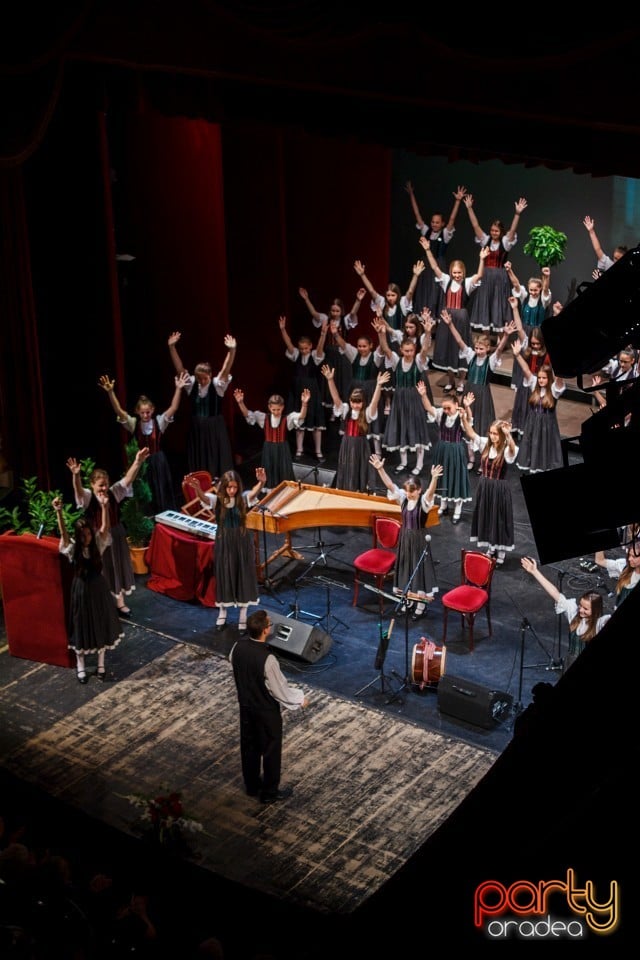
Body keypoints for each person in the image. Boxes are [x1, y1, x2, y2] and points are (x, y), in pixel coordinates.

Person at [228, 607, 308, 804]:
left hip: (246, 706)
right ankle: (270, 792)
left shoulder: (237, 647)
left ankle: (252, 785)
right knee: (271, 750)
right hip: (265, 710)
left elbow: (235, 665)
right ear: (265, 630)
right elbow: (278, 689)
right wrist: (299, 699)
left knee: (249, 746)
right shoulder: (267, 658)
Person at [66, 447, 150, 615]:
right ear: (92, 485)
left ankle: (120, 602)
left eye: (106, 484)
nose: (104, 488)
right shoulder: (88, 497)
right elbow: (79, 491)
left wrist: (138, 461)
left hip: (116, 534)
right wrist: (76, 476)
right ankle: (101, 604)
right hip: (98, 539)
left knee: (116, 567)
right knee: (101, 569)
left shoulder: (113, 493)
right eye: (100, 485)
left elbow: (127, 479)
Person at [53, 495, 123, 683]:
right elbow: (64, 535)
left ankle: (101, 664)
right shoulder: (73, 549)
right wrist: (59, 512)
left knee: (100, 623)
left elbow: (105, 528)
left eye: (88, 534)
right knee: (80, 624)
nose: (87, 538)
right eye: (83, 535)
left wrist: (104, 508)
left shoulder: (97, 545)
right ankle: (81, 665)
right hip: (81, 591)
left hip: (98, 590)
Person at [98, 371, 190, 513]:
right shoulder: (134, 424)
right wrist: (111, 392)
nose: (145, 415)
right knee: (146, 495)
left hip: (158, 462)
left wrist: (178, 388)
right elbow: (119, 411)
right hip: (142, 464)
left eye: (148, 412)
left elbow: (174, 408)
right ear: (137, 412)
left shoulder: (159, 422)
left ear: (152, 410)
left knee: (161, 493)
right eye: (142, 412)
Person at [191, 467, 266, 633]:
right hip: (224, 542)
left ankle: (243, 615)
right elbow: (204, 498)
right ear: (223, 487)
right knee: (225, 574)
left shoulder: (243, 498)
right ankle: (222, 612)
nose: (232, 490)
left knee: (243, 574)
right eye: (229, 487)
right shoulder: (216, 500)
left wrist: (261, 483)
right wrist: (197, 489)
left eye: (235, 487)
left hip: (242, 541)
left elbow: (253, 493)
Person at [369, 456, 443, 620]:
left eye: (412, 491)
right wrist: (380, 469)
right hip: (405, 539)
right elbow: (390, 485)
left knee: (418, 569)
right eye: (407, 491)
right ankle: (408, 600)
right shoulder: (403, 499)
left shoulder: (423, 502)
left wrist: (434, 478)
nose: (408, 494)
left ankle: (421, 605)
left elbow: (430, 493)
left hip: (418, 540)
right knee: (405, 568)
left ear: (419, 490)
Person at [419, 239, 488, 395]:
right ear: (451, 272)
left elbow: (479, 275)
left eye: (459, 273)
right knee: (448, 347)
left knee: (461, 347)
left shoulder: (467, 283)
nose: (457, 275)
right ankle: (451, 380)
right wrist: (428, 250)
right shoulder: (446, 281)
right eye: (454, 273)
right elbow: (435, 267)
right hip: (447, 317)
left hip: (461, 318)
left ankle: (461, 381)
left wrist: (482, 259)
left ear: (463, 272)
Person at [521, 556, 610, 672]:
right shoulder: (574, 613)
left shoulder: (600, 623)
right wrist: (535, 572)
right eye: (580, 606)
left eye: (586, 609)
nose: (581, 610)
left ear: (596, 610)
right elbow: (555, 594)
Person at [167, 330, 237, 478]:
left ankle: (219, 481)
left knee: (216, 456)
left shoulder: (217, 385)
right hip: (197, 428)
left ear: (210, 375)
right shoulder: (192, 384)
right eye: (200, 378)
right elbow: (180, 369)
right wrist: (172, 348)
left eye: (205, 378)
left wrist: (231, 351)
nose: (203, 381)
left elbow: (225, 369)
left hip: (215, 427)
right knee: (200, 457)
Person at [374, 313, 434, 477]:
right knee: (401, 427)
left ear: (414, 350)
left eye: (411, 351)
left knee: (417, 428)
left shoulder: (418, 361)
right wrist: (381, 334)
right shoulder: (396, 360)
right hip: (400, 399)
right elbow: (386, 349)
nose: (408, 353)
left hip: (414, 399)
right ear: (401, 350)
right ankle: (403, 462)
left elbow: (425, 349)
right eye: (406, 351)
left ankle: (419, 463)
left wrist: (428, 332)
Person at [459, 406, 518, 565]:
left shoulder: (506, 448)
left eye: (495, 434)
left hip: (499, 488)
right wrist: (464, 416)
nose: (492, 436)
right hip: (485, 486)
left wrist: (508, 435)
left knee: (499, 518)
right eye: (491, 433)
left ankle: (501, 550)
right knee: (487, 516)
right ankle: (491, 547)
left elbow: (513, 451)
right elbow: (471, 433)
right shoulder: (486, 444)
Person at [463, 194, 528, 335]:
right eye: (492, 230)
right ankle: (485, 337)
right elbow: (475, 225)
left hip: (500, 278)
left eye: (496, 231)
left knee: (499, 305)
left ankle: (500, 338)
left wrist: (517, 214)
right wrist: (469, 208)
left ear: (501, 231)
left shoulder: (505, 242)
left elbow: (513, 230)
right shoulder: (485, 240)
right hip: (486, 276)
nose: (494, 233)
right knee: (485, 303)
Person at [298, 284, 365, 420]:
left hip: (342, 356)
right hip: (328, 355)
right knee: (329, 382)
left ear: (341, 311)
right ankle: (331, 411)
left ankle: (340, 410)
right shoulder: (325, 319)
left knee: (342, 382)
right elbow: (314, 314)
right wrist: (306, 299)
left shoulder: (345, 321)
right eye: (333, 310)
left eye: (337, 311)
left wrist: (358, 300)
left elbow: (353, 314)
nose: (334, 313)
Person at [321, 365, 390, 492]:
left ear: (363, 402)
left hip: (361, 446)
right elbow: (336, 398)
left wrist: (379, 385)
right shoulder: (346, 410)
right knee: (347, 466)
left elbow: (374, 402)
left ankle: (359, 490)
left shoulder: (367, 413)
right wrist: (330, 380)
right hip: (347, 444)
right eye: (353, 401)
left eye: (358, 402)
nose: (355, 405)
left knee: (359, 468)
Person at [406, 182, 468, 315]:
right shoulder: (426, 231)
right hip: (425, 266)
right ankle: (423, 318)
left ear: (442, 223)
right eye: (433, 222)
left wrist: (457, 201)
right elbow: (417, 214)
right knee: (424, 291)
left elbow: (452, 219)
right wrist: (411, 194)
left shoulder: (445, 234)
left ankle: (435, 319)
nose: (434, 224)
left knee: (436, 292)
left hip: (438, 266)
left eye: (437, 222)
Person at [416, 381, 472, 524]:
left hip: (456, 450)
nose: (446, 410)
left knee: (456, 477)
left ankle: (458, 509)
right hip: (442, 450)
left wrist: (467, 407)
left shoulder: (460, 416)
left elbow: (468, 422)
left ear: (456, 405)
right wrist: (423, 395)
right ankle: (444, 505)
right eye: (444, 408)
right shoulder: (441, 414)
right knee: (442, 476)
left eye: (448, 408)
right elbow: (429, 408)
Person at [233, 387, 310, 491]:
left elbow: (301, 416)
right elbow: (248, 414)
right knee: (269, 470)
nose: (276, 412)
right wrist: (240, 403)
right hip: (269, 449)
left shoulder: (287, 419)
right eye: (274, 409)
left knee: (283, 470)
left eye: (278, 409)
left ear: (282, 407)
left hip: (282, 449)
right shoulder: (263, 417)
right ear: (269, 407)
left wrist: (304, 404)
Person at [327, 320, 385, 453]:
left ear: (370, 346)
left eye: (364, 346)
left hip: (371, 390)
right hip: (356, 389)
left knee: (372, 418)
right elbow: (344, 345)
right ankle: (353, 444)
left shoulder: (375, 357)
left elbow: (382, 348)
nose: (361, 348)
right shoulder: (354, 355)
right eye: (359, 346)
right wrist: (335, 334)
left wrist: (380, 334)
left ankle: (377, 451)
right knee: (354, 416)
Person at [511, 339, 566, 473]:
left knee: (544, 446)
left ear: (549, 378)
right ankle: (533, 466)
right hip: (532, 422)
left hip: (547, 425)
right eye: (540, 377)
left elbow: (559, 379)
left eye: (544, 378)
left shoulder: (554, 390)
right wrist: (517, 355)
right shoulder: (534, 384)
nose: (541, 380)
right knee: (532, 443)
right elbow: (526, 369)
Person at [278, 315, 327, 460]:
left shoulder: (315, 356)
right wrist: (283, 330)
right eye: (301, 349)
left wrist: (323, 334)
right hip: (297, 391)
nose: (303, 351)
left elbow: (320, 348)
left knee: (316, 423)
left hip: (312, 391)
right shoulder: (296, 355)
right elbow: (289, 345)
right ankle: (299, 449)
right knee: (299, 422)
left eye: (306, 348)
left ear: (310, 346)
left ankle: (318, 451)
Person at [354, 257, 425, 331]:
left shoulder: (402, 303)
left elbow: (410, 291)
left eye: (393, 295)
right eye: (388, 295)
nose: (390, 298)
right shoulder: (382, 302)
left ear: (398, 295)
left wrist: (415, 275)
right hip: (385, 336)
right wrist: (362, 275)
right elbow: (371, 291)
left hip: (401, 336)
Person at [594, 543, 640, 608]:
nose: (629, 559)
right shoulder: (624, 565)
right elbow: (600, 560)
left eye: (634, 556)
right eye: (629, 555)